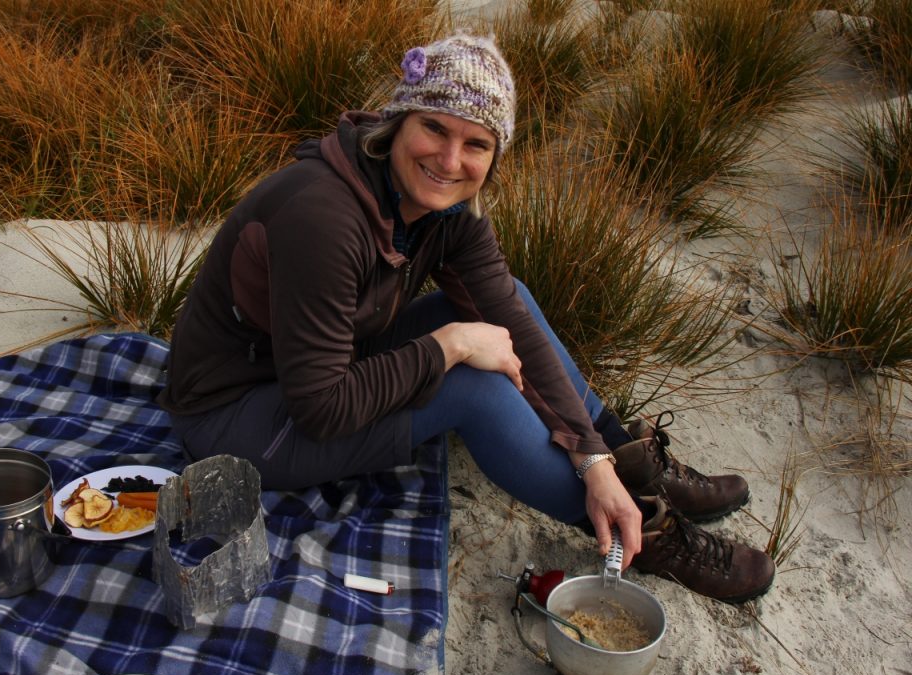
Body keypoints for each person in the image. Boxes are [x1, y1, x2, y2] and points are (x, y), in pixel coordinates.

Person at [158, 33, 775, 604]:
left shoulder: (445, 207)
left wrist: (591, 455)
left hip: (323, 366)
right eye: (434, 129)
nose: (451, 160)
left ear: (494, 154)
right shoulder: (324, 216)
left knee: (511, 305)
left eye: (476, 143)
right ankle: (646, 531)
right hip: (241, 421)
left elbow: (509, 315)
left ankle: (626, 459)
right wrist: (448, 347)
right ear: (398, 123)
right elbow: (320, 408)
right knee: (473, 381)